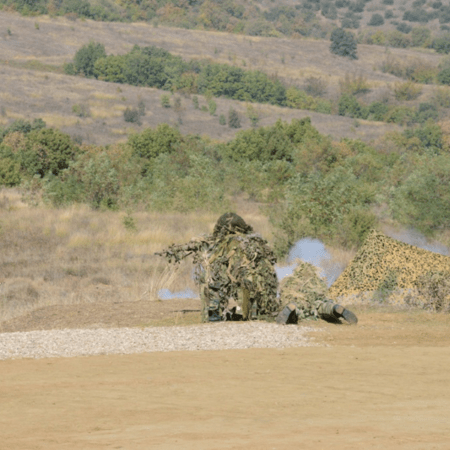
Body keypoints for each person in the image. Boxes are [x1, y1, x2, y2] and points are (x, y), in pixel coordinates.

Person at [157, 212, 357, 325]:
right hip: (266, 291)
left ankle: (217, 316)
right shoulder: (257, 243)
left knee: (246, 310)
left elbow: (216, 281)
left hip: (247, 290)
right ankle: (326, 308)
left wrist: (213, 313)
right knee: (280, 308)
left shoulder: (224, 246)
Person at [156, 212, 280, 322]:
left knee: (209, 281)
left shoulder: (219, 243)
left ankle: (213, 313)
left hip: (234, 282)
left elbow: (189, 246)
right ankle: (252, 313)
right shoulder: (254, 243)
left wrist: (171, 252)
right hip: (254, 286)